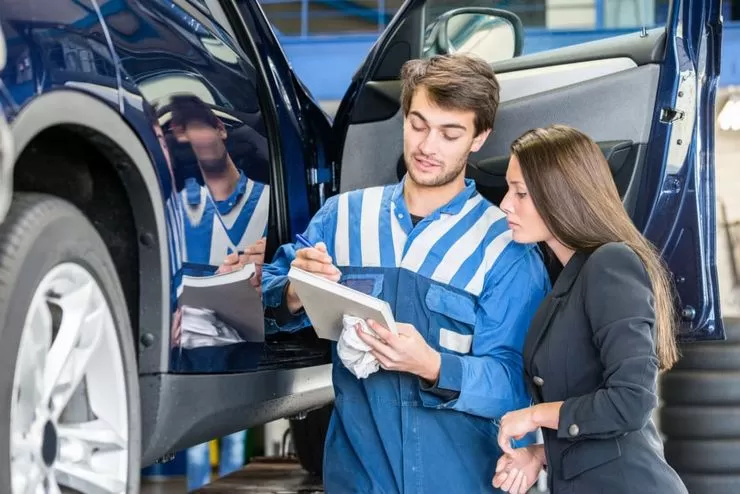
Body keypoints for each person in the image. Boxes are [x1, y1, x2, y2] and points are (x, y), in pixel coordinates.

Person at [261, 54, 550, 493]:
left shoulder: (504, 249)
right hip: (358, 478)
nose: (427, 147)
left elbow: (518, 386)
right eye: (418, 124)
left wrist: (435, 366)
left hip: (464, 479)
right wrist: (293, 291)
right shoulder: (340, 220)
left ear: (479, 137)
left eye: (450, 133)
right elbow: (262, 295)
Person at [492, 125, 688, 494]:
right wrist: (539, 453)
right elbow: (592, 418)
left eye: (520, 193)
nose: (505, 203)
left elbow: (630, 401)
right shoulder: (567, 280)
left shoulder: (610, 264)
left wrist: (535, 416)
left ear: (560, 196)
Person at [169, 94, 269, 268]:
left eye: (199, 128)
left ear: (221, 129)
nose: (196, 140)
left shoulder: (272, 201)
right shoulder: (174, 210)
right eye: (185, 133)